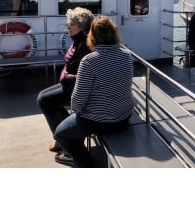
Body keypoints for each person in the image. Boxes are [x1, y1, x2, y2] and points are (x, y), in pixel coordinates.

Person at [53, 16, 135, 167]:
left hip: (100, 121)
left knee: (60, 135)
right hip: (125, 115)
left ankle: (85, 163)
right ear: (115, 34)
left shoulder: (89, 61)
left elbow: (78, 100)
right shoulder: (127, 56)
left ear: (92, 36)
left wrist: (76, 112)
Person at [37, 7, 94, 155]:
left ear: (81, 27)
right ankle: (63, 136)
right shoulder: (78, 41)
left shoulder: (86, 45)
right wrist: (65, 74)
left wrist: (64, 75)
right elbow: (70, 66)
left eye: (71, 24)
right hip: (69, 84)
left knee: (44, 100)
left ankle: (66, 143)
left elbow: (84, 77)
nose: (67, 26)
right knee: (44, 96)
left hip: (78, 89)